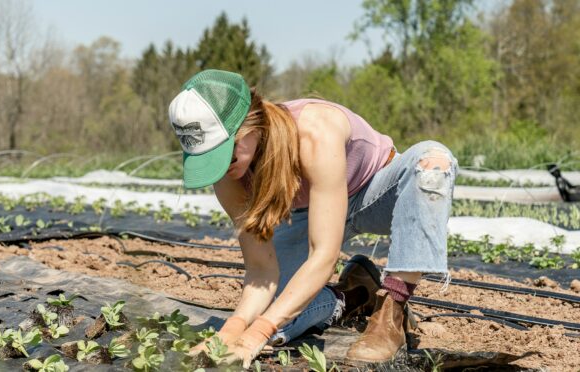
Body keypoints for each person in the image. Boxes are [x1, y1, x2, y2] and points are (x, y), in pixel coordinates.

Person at [168, 69, 457, 367]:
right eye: (208, 159)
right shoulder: (229, 176)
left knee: (432, 162)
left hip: (375, 194)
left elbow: (324, 255)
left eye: (225, 154)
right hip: (310, 212)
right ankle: (353, 294)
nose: (222, 167)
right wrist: (232, 331)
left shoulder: (314, 131)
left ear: (250, 124)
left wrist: (256, 334)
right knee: (276, 321)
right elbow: (261, 270)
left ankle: (392, 310)